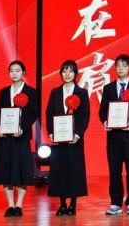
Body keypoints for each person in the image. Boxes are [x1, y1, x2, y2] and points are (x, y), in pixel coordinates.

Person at [99, 54, 129, 216]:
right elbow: (102, 111)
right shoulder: (108, 88)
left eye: (124, 65)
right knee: (114, 171)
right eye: (118, 65)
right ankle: (115, 203)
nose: (120, 68)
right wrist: (105, 121)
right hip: (113, 137)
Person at [0, 61, 39, 217]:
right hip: (5, 137)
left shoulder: (31, 92)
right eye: (11, 71)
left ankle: (19, 205)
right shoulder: (4, 92)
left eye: (17, 70)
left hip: (21, 137)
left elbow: (33, 113)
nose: (14, 73)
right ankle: (10, 205)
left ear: (24, 72)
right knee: (6, 169)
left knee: (22, 170)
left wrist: (21, 128)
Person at [46, 60, 91, 216]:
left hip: (75, 140)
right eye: (64, 71)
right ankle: (62, 204)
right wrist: (51, 133)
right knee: (59, 171)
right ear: (61, 73)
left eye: (70, 71)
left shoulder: (82, 93)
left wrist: (77, 134)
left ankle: (72, 205)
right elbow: (49, 114)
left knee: (74, 170)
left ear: (75, 74)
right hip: (58, 140)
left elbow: (85, 116)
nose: (67, 74)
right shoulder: (55, 92)